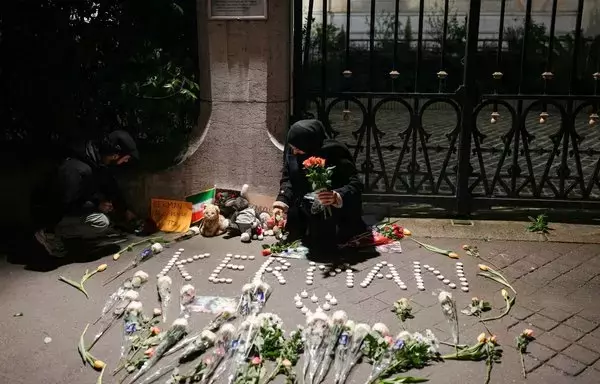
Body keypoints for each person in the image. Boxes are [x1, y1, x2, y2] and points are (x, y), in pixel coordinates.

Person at [33, 130, 139, 257]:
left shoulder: (98, 161)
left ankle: (70, 234)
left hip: (72, 203)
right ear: (115, 155)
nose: (126, 161)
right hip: (51, 211)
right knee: (101, 222)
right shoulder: (75, 167)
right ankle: (49, 233)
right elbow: (67, 204)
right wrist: (97, 205)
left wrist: (125, 210)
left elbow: (111, 187)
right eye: (126, 158)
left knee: (104, 214)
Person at [272, 119, 367, 253]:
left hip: (331, 212)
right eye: (292, 149)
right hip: (303, 209)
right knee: (294, 234)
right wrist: (281, 201)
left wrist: (336, 196)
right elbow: (288, 179)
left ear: (310, 145)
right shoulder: (292, 150)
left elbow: (355, 185)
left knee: (325, 246)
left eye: (298, 150)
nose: (294, 153)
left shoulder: (335, 152)